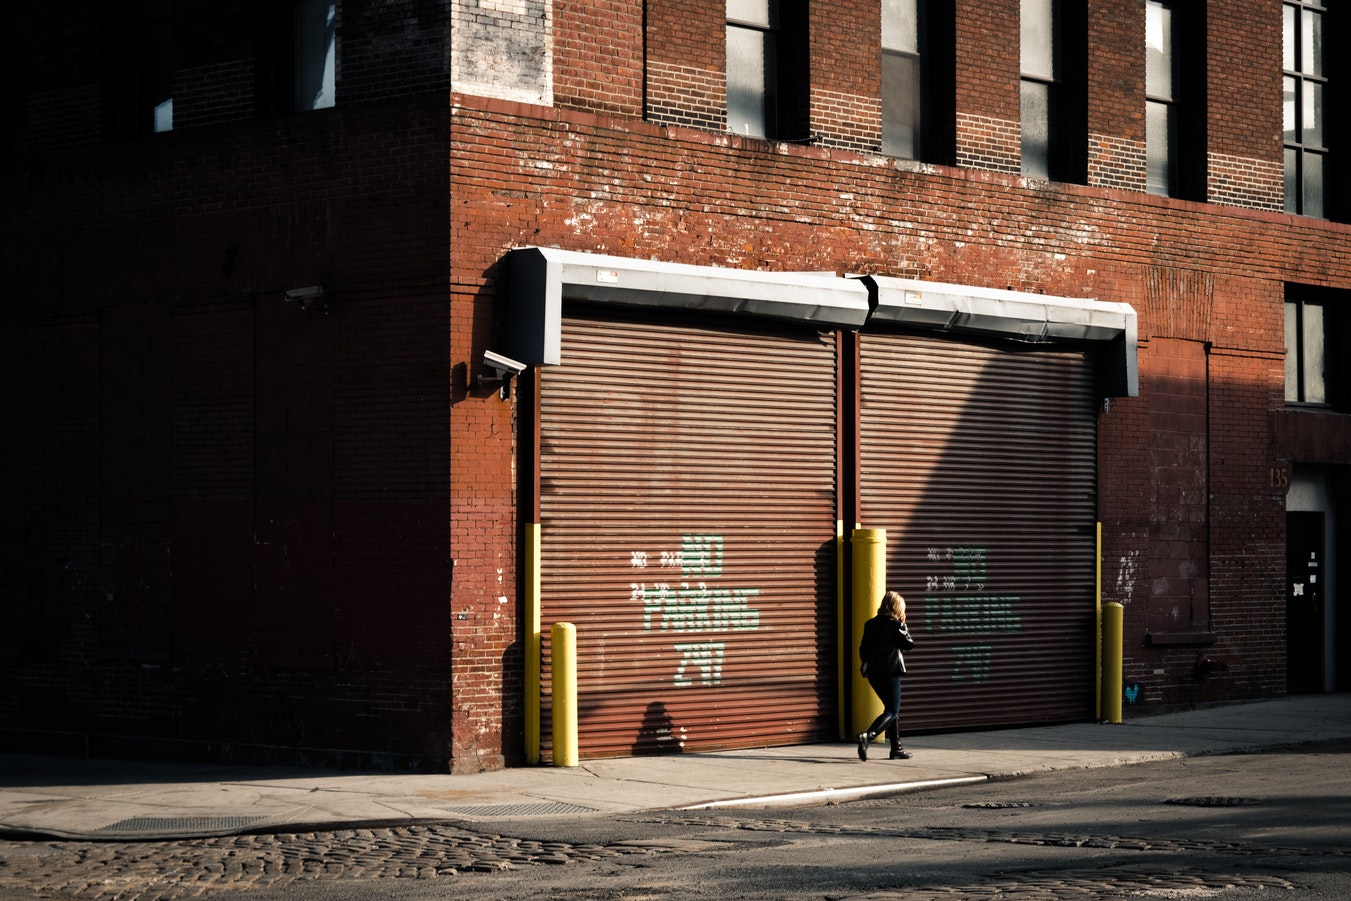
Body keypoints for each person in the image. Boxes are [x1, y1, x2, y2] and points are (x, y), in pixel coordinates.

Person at [857, 590, 915, 761]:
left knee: (891, 710)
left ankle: (896, 748)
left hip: (874, 673)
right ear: (897, 608)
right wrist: (903, 625)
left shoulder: (870, 623)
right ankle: (868, 736)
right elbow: (909, 644)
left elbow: (863, 650)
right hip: (890, 672)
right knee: (892, 710)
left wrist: (870, 665)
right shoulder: (894, 624)